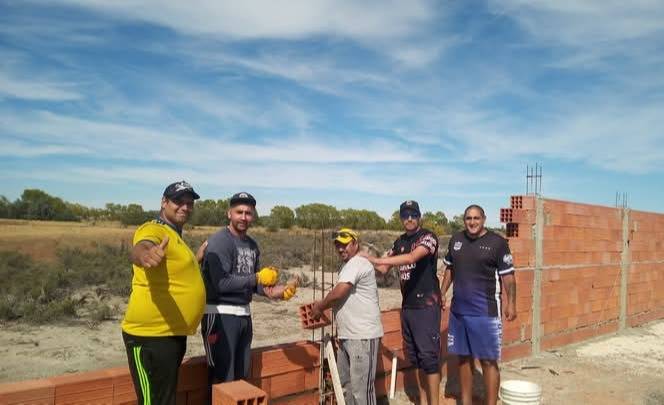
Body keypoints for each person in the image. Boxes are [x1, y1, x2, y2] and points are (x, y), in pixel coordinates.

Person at [200, 192, 298, 393]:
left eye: (248, 213)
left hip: (244, 316)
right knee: (222, 378)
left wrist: (275, 292)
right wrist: (257, 278)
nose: (244, 217)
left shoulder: (252, 245)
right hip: (220, 316)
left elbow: (254, 284)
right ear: (229, 213)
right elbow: (221, 283)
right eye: (239, 212)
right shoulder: (220, 242)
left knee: (241, 377)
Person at [121, 180, 206, 405]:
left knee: (165, 399)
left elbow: (173, 273)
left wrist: (195, 260)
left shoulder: (174, 234)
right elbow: (142, 246)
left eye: (189, 203)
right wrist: (145, 255)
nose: (185, 207)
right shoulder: (154, 228)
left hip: (170, 335)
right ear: (164, 202)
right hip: (150, 336)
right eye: (179, 201)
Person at [361, 200, 442, 405]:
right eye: (405, 215)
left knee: (429, 358)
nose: (410, 219)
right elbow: (382, 269)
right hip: (408, 307)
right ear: (400, 218)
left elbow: (412, 258)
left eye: (413, 215)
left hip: (426, 306)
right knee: (417, 358)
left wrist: (376, 260)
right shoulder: (399, 242)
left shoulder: (428, 237)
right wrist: (361, 258)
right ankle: (423, 401)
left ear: (419, 216)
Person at [441, 204, 517, 405]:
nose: (472, 222)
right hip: (459, 313)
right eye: (468, 218)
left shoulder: (497, 243)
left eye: (476, 218)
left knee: (488, 361)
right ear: (464, 220)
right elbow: (450, 269)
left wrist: (511, 304)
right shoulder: (456, 240)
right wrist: (442, 292)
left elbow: (508, 277)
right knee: (463, 359)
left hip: (486, 313)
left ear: (483, 219)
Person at [311, 228, 383, 405]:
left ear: (355, 244)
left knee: (362, 391)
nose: (341, 249)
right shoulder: (348, 265)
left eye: (345, 245)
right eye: (338, 246)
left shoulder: (357, 263)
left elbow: (339, 292)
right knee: (348, 386)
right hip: (348, 336)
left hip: (362, 336)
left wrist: (320, 306)